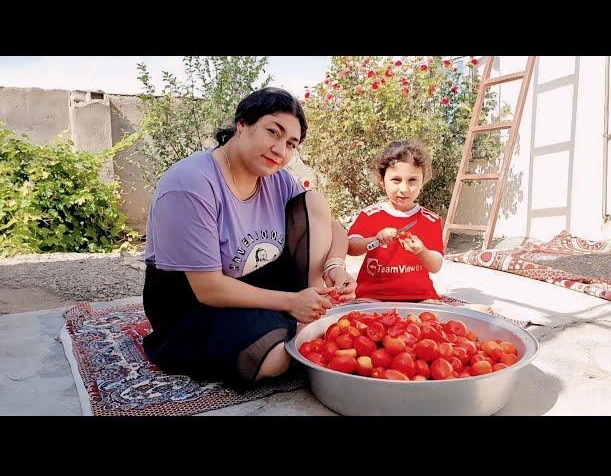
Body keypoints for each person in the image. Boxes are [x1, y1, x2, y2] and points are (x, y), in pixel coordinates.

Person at [142, 87, 356, 385]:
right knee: (274, 356)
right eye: (273, 132)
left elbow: (333, 227)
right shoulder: (190, 184)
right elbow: (208, 289)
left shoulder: (277, 179)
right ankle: (296, 320)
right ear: (241, 125)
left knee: (314, 202)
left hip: (258, 281)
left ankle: (312, 312)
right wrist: (290, 302)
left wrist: (335, 266)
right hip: (192, 302)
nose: (281, 151)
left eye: (291, 144)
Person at [347, 140, 493, 313]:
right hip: (373, 297)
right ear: (381, 180)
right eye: (396, 180)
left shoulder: (430, 220)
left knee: (437, 320)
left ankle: (464, 311)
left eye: (412, 180)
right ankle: (461, 310)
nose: (404, 189)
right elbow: (351, 247)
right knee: (353, 316)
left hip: (420, 298)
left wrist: (421, 251)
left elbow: (435, 265)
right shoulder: (370, 215)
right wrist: (376, 240)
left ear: (423, 181)